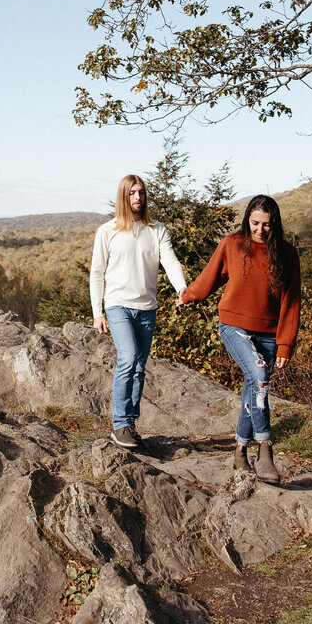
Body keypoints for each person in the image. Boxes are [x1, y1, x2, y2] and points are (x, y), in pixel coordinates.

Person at [178, 194, 301, 482]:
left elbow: (292, 301)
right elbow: (210, 277)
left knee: (252, 386)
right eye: (255, 223)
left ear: (275, 224)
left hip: (270, 333)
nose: (260, 230)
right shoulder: (232, 243)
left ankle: (239, 451)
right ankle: (265, 450)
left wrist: (285, 343)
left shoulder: (287, 253)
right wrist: (188, 296)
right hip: (234, 325)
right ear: (247, 220)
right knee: (260, 376)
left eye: (266, 224)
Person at [90, 174, 188, 449]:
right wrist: (97, 312)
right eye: (132, 193)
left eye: (141, 192)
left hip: (147, 308)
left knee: (139, 368)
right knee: (128, 358)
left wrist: (182, 288)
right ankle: (120, 424)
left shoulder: (157, 230)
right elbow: (97, 273)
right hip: (117, 305)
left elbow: (170, 262)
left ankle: (130, 425)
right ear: (123, 196)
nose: (138, 197)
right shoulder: (107, 231)